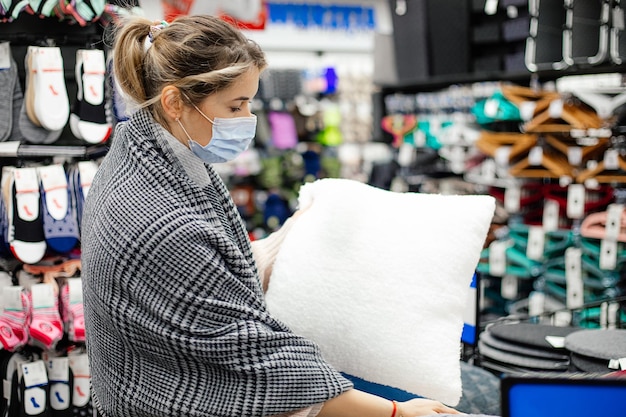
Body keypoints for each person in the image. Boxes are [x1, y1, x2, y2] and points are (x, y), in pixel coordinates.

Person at [80, 14, 462, 417]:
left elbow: (205, 278)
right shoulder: (159, 219)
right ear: (175, 102)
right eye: (235, 104)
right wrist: (397, 413)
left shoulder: (152, 156)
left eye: (250, 102)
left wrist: (289, 239)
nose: (248, 118)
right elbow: (256, 361)